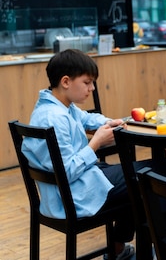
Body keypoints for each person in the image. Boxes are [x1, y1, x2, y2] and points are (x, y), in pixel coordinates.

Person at [21, 49, 139, 260]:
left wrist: (109, 122)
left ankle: (118, 249)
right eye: (87, 82)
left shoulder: (60, 106)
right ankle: (156, 246)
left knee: (138, 178)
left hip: (77, 184)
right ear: (66, 81)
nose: (92, 88)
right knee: (148, 175)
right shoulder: (53, 118)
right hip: (71, 196)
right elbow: (66, 173)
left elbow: (86, 119)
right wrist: (96, 143)